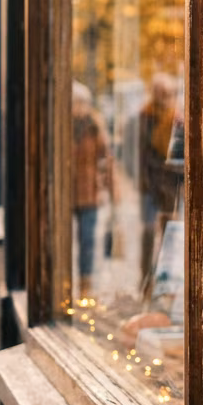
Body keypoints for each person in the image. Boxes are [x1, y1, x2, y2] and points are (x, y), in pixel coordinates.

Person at [72, 82, 113, 295]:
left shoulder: (95, 126)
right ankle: (63, 285)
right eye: (76, 103)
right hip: (66, 193)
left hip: (89, 192)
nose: (80, 107)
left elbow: (106, 159)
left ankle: (85, 286)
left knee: (87, 240)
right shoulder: (63, 127)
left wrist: (108, 189)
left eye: (83, 103)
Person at [137, 73, 179, 282]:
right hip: (150, 183)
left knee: (169, 231)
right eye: (162, 92)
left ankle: (165, 280)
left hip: (170, 184)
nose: (165, 97)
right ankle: (146, 277)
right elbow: (140, 153)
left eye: (169, 93)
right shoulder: (145, 116)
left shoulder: (176, 118)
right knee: (148, 231)